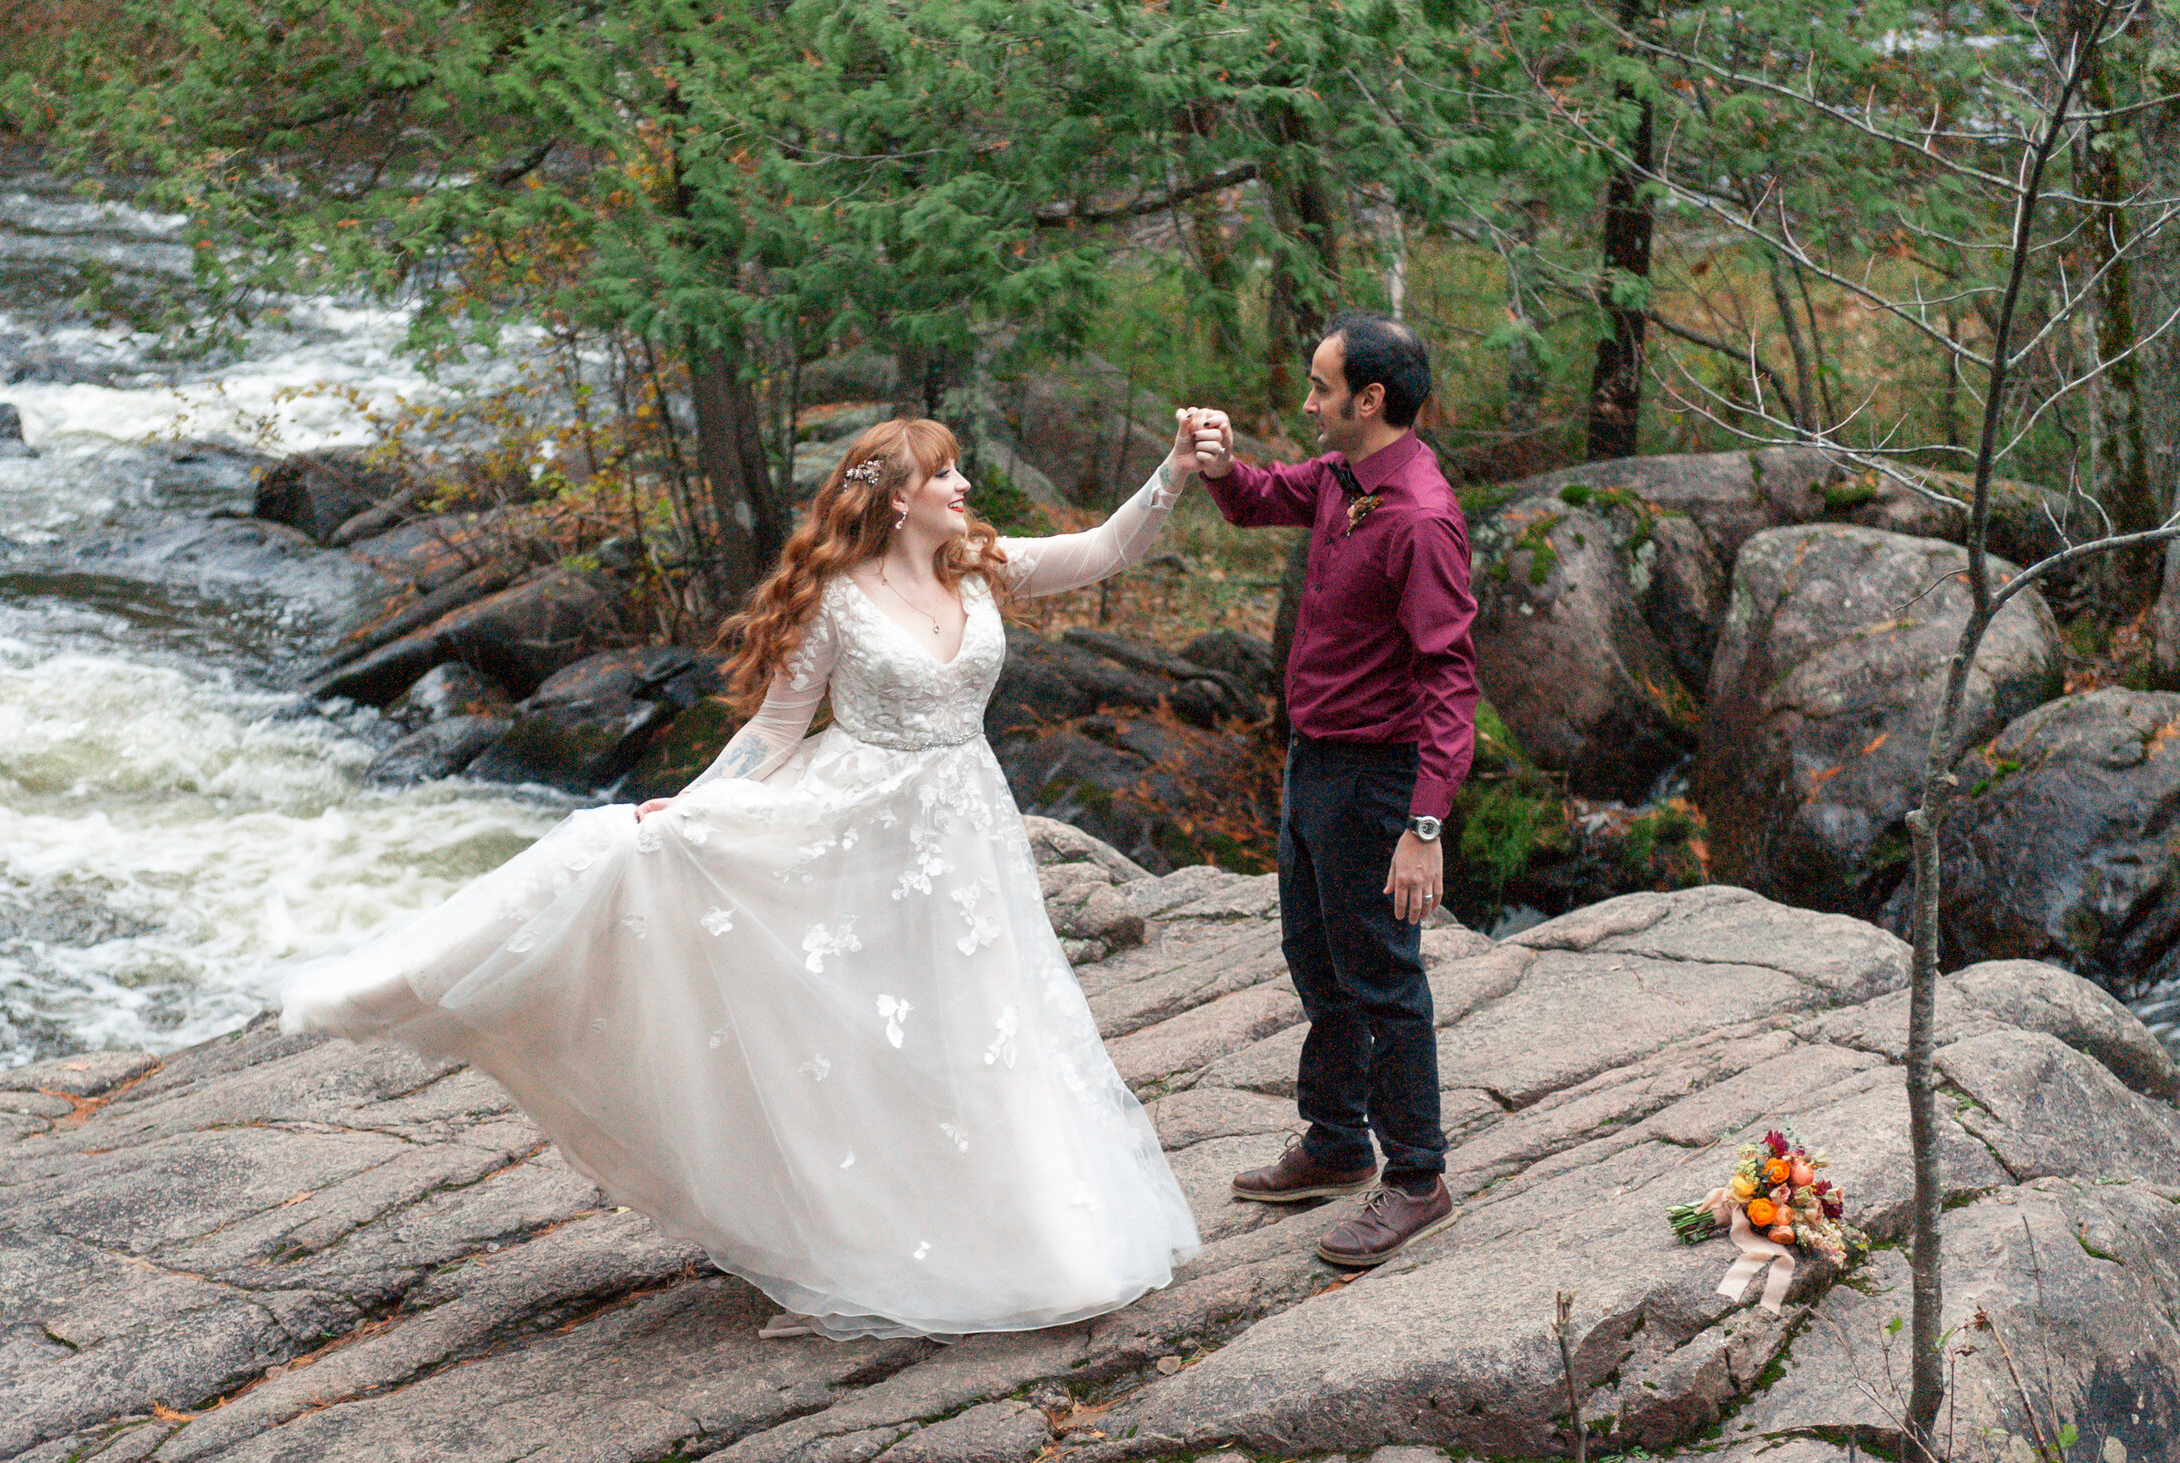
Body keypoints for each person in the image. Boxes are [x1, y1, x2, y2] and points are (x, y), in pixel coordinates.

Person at [281, 412, 1230, 1340]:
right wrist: (688, 808)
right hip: (855, 827)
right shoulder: (839, 598)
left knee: (984, 1025)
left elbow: (1105, 550)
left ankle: (1039, 1241)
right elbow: (778, 729)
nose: (964, 486)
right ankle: (412, 983)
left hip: (964, 836)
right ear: (900, 501)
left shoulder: (979, 564)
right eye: (945, 475)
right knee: (850, 1020)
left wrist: (1176, 470)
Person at [1196, 313, 1480, 1268]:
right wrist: (1221, 464)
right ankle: (1333, 1142)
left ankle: (1416, 1178)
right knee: (1317, 959)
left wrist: (1424, 824)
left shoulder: (1419, 518)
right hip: (1313, 762)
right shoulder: (1344, 478)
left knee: (1382, 978)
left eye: (1320, 389)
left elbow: (1451, 680)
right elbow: (1255, 499)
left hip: (1375, 779)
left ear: (1369, 401)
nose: (1306, 403)